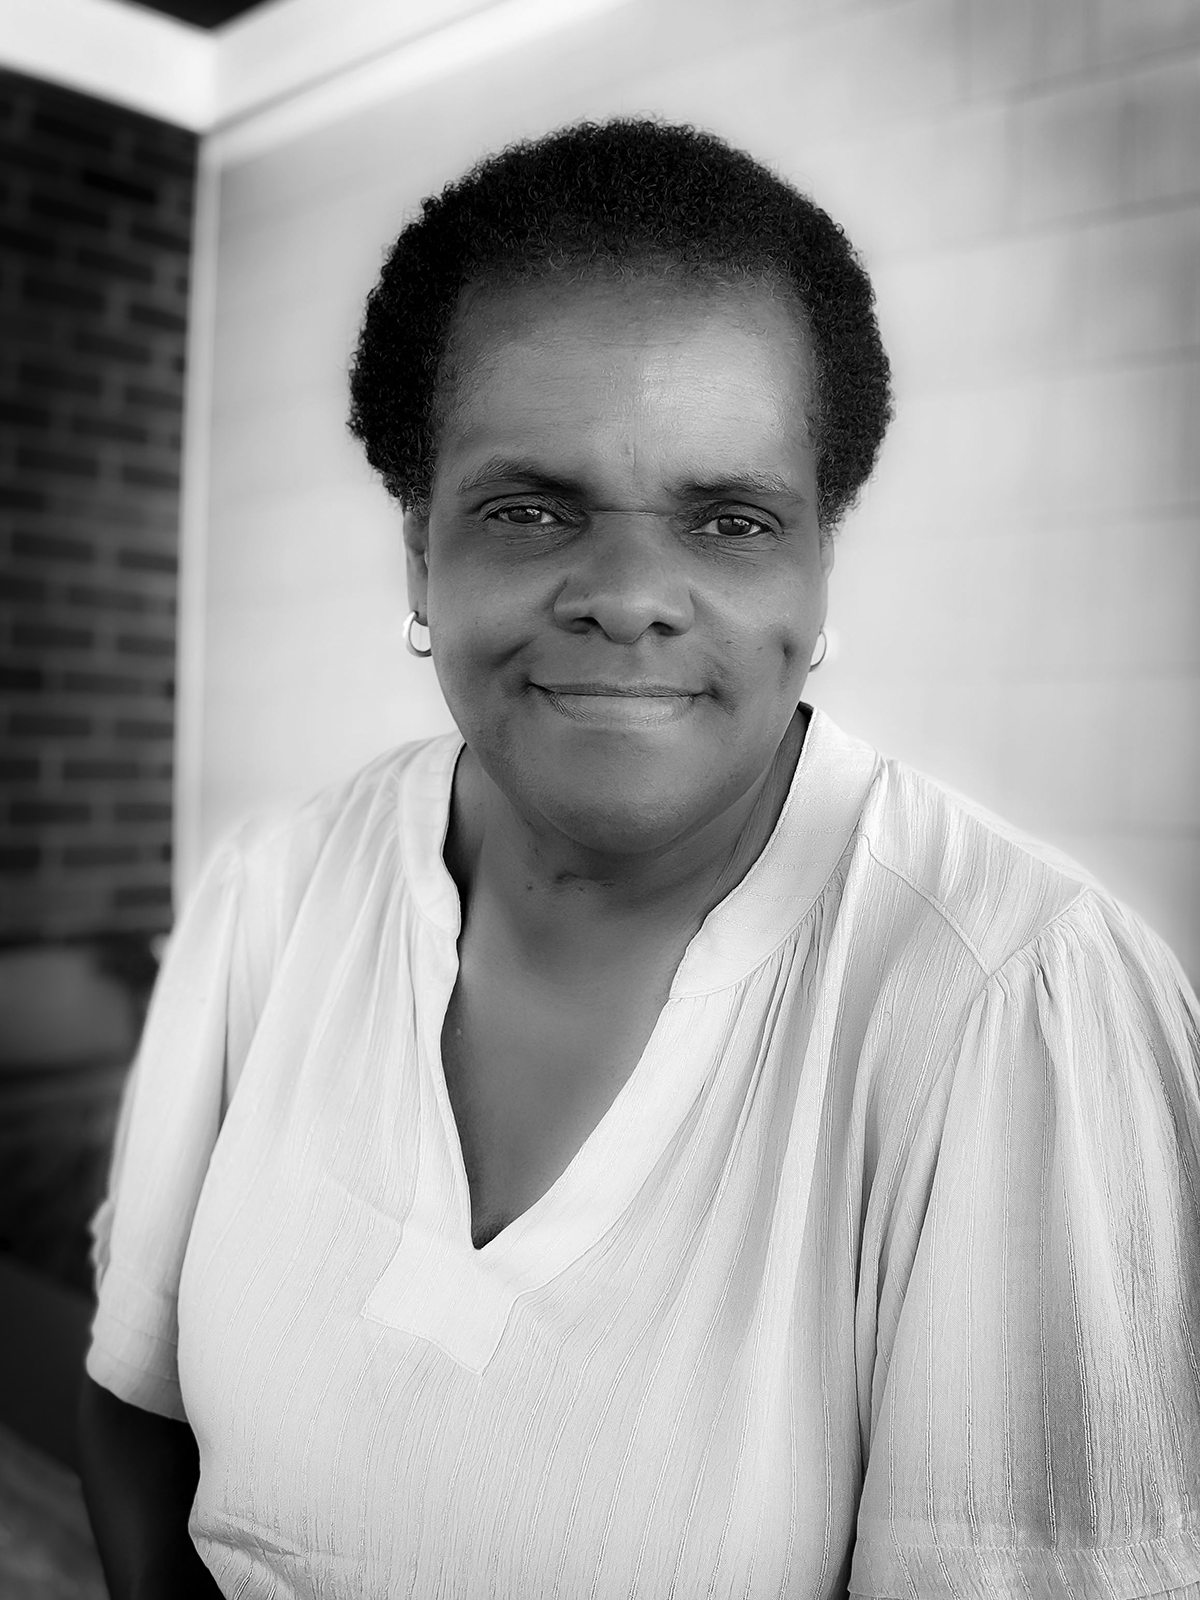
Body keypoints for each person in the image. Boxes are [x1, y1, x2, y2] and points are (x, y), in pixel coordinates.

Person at [77, 118, 1200, 1599]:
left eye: (729, 519)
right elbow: (135, 1410)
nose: (626, 596)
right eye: (529, 508)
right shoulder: (279, 894)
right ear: (421, 551)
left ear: (817, 567)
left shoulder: (1010, 1006)